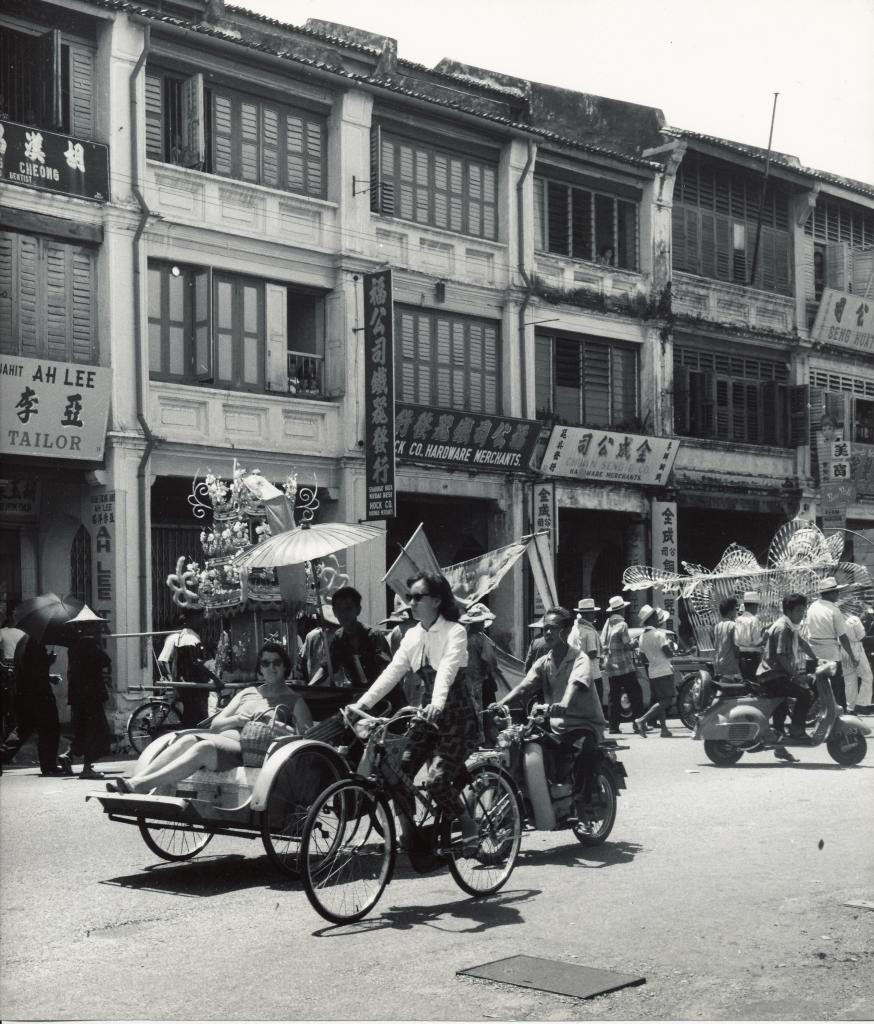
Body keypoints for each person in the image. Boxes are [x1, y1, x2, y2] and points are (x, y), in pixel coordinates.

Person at [347, 572, 480, 845]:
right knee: (396, 774)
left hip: (458, 719)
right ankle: (410, 834)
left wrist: (437, 704)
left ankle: (468, 824)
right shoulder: (412, 636)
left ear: (437, 600)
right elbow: (392, 672)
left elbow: (447, 670)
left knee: (436, 782)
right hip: (427, 717)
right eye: (410, 597)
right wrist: (362, 704)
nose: (411, 603)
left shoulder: (455, 631)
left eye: (418, 597)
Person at [108, 642, 312, 793]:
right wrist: (240, 720)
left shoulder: (294, 700)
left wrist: (270, 723)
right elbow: (216, 725)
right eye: (265, 663)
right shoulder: (248, 692)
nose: (271, 668)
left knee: (203, 748)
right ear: (260, 668)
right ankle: (137, 780)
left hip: (254, 751)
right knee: (187, 739)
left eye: (276, 662)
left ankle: (140, 785)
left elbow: (305, 738)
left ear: (285, 666)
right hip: (226, 739)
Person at [493, 606, 606, 803]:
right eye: (545, 628)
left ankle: (581, 804)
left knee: (581, 751)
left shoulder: (580, 658)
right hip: (556, 725)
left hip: (584, 724)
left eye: (552, 628)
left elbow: (575, 683)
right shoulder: (544, 662)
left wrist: (563, 703)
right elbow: (523, 687)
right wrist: (500, 703)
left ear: (568, 630)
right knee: (523, 745)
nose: (547, 632)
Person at [757, 593, 819, 759]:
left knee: (781, 709)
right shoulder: (783, 627)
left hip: (775, 674)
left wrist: (817, 659)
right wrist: (796, 676)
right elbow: (781, 656)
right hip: (772, 675)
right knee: (806, 694)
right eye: (799, 611)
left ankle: (780, 747)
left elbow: (803, 643)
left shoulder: (790, 626)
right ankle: (797, 730)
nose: (802, 614)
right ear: (789, 611)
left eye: (803, 611)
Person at [6, 635, 67, 776]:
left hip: (23, 694)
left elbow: (27, 671)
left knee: (22, 730)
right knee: (50, 729)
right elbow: (36, 672)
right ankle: (49, 765)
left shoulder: (23, 642)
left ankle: (3, 755)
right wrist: (49, 661)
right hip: (39, 695)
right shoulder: (35, 646)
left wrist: (48, 675)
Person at [58, 631, 113, 779]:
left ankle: (68, 754)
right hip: (91, 695)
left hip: (77, 696)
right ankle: (87, 768)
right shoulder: (92, 646)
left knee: (82, 729)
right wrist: (98, 644)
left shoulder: (73, 648)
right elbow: (106, 661)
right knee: (94, 731)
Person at [320, 586, 391, 695]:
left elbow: (387, 672)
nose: (343, 613)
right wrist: (308, 689)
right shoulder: (338, 638)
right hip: (357, 694)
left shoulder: (373, 636)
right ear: (334, 612)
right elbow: (327, 669)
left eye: (348, 608)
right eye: (339, 608)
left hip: (383, 695)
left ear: (358, 610)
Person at [804, 576, 857, 711]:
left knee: (815, 688)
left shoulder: (812, 607)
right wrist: (851, 655)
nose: (838, 595)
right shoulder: (834, 610)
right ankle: (840, 716)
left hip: (812, 653)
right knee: (837, 688)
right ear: (831, 593)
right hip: (830, 655)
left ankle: (811, 715)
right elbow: (843, 637)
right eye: (836, 592)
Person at [157, 612, 211, 727]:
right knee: (195, 712)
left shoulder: (180, 637)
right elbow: (162, 661)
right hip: (186, 682)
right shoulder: (187, 637)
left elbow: (163, 661)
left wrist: (171, 679)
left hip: (183, 681)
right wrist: (171, 679)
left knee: (190, 712)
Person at [600, 595, 644, 734]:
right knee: (635, 694)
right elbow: (627, 645)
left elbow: (603, 644)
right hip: (624, 666)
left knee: (614, 696)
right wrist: (635, 643)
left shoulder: (607, 625)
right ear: (621, 610)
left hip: (611, 667)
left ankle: (613, 726)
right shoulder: (622, 625)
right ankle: (638, 724)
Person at [633, 604, 677, 737]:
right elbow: (668, 654)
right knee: (667, 700)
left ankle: (664, 729)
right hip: (664, 670)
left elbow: (641, 658)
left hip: (652, 671)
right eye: (656, 617)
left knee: (660, 701)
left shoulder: (641, 637)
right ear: (651, 619)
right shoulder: (659, 634)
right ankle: (642, 720)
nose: (658, 620)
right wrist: (671, 648)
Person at [458, 602, 499, 720]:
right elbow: (490, 661)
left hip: (464, 680)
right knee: (480, 713)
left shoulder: (462, 636)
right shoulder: (481, 639)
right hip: (478, 681)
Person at [568, 598, 602, 704]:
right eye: (592, 613)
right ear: (586, 615)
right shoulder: (590, 632)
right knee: (596, 701)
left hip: (577, 672)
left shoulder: (575, 629)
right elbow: (592, 653)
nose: (594, 615)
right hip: (592, 673)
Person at [299, 604, 338, 683]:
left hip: (331, 683)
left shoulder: (339, 636)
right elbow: (304, 660)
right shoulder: (312, 636)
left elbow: (303, 660)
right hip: (315, 682)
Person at [841, 611, 870, 715]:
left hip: (844, 650)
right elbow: (862, 636)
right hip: (856, 648)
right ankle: (862, 703)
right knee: (867, 677)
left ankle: (851, 707)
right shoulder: (854, 619)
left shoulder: (839, 620)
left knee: (849, 680)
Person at [735, 591, 765, 680]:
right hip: (752, 656)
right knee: (753, 681)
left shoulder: (738, 619)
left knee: (745, 680)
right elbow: (756, 642)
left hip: (741, 655)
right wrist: (765, 638)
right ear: (754, 606)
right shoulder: (754, 620)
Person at [712, 597, 742, 680]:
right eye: (735, 609)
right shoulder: (733, 625)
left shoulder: (717, 626)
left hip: (718, 666)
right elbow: (736, 649)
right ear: (731, 610)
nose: (736, 612)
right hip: (730, 668)